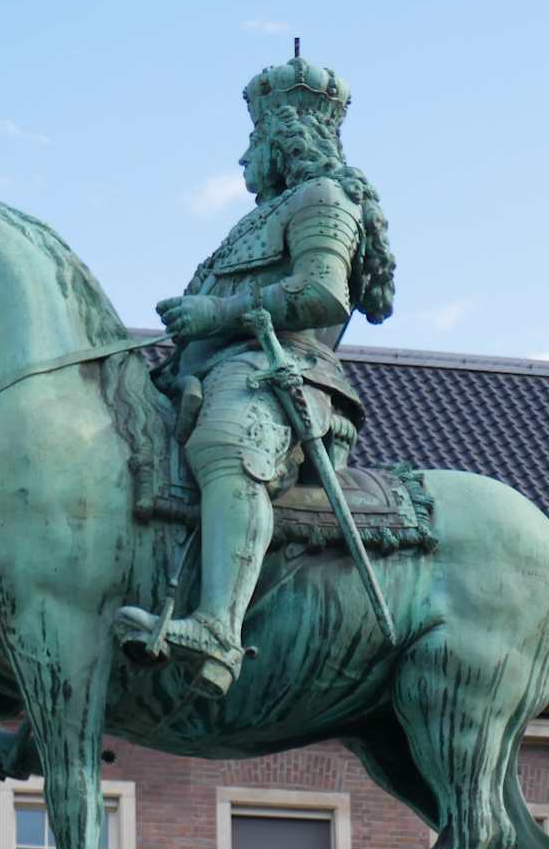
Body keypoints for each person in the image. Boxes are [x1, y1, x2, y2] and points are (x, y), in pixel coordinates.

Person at [116, 55, 397, 697]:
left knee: (226, 446)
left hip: (283, 371)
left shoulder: (324, 199)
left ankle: (217, 628)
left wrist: (214, 313)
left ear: (284, 139)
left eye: (254, 139)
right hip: (206, 370)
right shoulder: (255, 220)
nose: (244, 156)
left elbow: (324, 293)